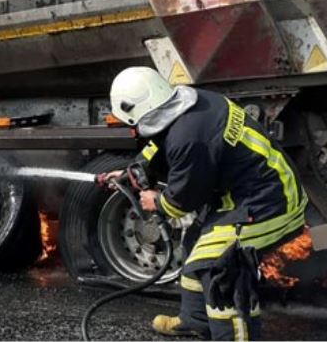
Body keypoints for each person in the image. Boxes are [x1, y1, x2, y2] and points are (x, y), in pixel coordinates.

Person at [104, 67, 307, 341]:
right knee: (194, 244)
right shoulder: (193, 103)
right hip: (244, 194)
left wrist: (157, 202)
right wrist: (134, 170)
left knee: (218, 266)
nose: (132, 131)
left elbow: (181, 201)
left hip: (269, 202)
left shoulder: (189, 138)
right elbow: (159, 144)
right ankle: (196, 321)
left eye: (132, 124)